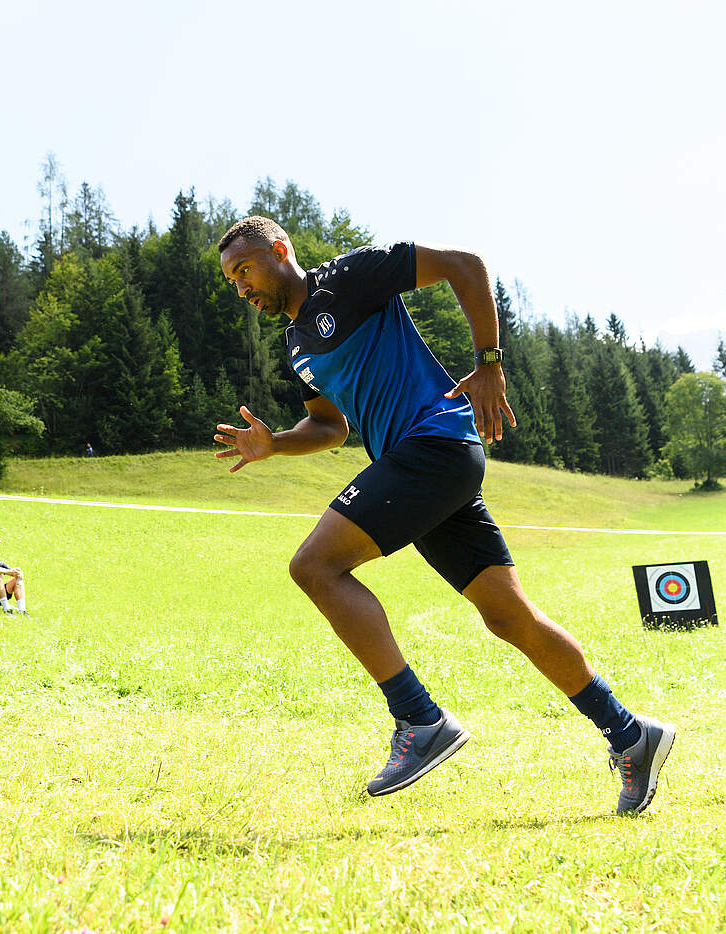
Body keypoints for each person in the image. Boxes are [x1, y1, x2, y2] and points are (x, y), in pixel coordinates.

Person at [213, 216, 673, 814]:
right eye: (232, 281)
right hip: (425, 468)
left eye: (245, 271)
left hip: (433, 445)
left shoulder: (350, 277)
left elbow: (464, 264)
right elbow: (330, 426)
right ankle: (631, 735)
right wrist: (275, 443)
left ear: (279, 250)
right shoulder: (296, 344)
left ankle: (418, 718)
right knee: (509, 617)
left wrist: (489, 363)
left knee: (315, 567)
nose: (241, 288)